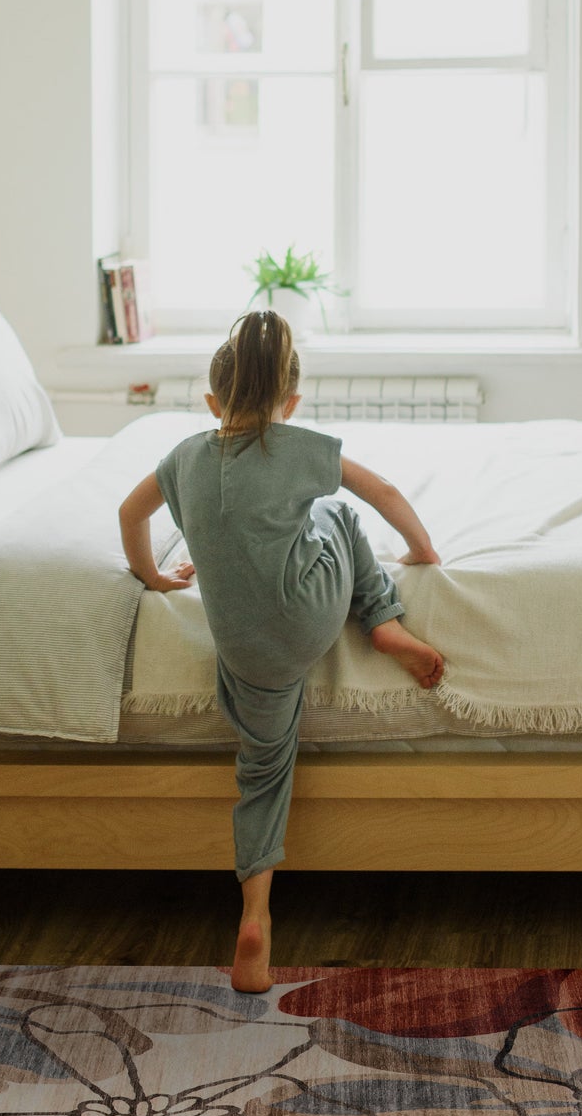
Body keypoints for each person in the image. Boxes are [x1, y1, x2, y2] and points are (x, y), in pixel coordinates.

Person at [118, 310, 445, 993]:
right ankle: (381, 617)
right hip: (311, 616)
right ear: (290, 403)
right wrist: (422, 552)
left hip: (246, 648)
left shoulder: (182, 457)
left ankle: (255, 918)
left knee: (262, 772)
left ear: (211, 402)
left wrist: (151, 576)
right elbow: (379, 492)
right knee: (338, 513)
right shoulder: (297, 445)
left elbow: (129, 512)